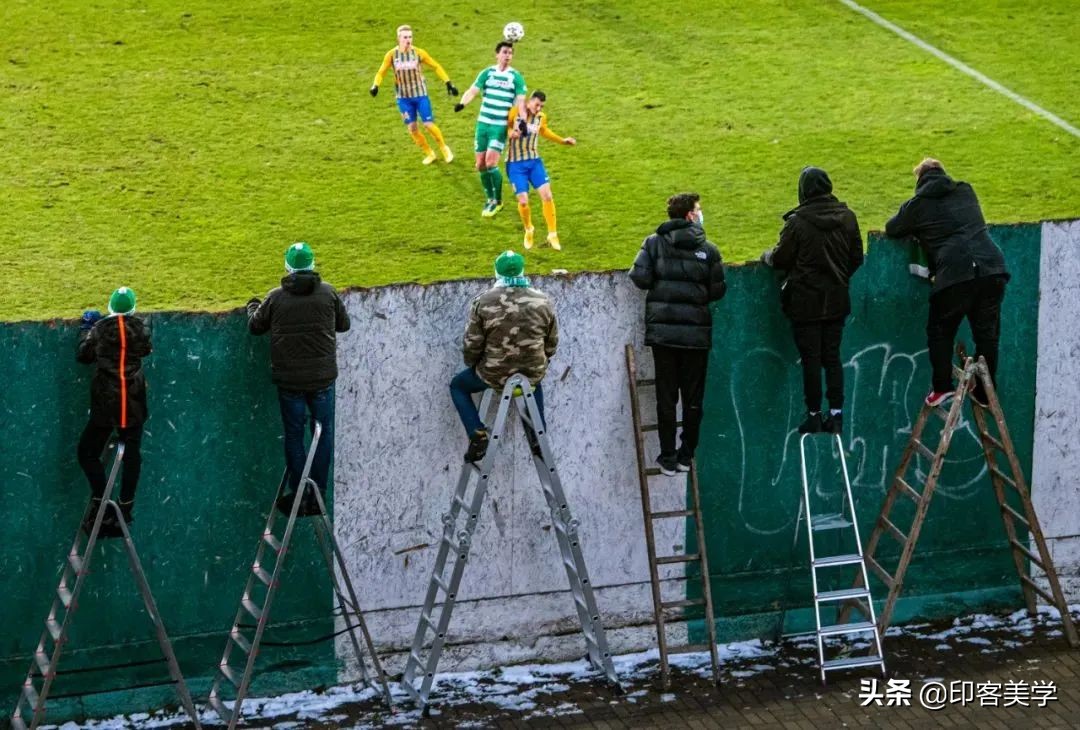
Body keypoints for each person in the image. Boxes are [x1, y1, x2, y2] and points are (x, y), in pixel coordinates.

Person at [885, 158, 1010, 407]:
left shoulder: (917, 205)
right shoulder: (965, 189)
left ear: (919, 180)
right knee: (987, 334)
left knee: (940, 331)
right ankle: (986, 391)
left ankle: (942, 387)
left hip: (954, 275)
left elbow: (892, 228)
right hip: (992, 267)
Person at [247, 243, 351, 516]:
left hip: (290, 381)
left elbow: (255, 326)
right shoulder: (328, 293)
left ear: (288, 268)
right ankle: (318, 494)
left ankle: (300, 494)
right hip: (322, 378)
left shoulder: (277, 297)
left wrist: (253, 306)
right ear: (313, 265)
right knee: (323, 431)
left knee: (294, 435)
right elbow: (344, 324)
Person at [761, 167, 864, 435]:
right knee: (832, 357)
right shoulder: (848, 218)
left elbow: (781, 258)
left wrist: (767, 257)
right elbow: (856, 258)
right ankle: (837, 414)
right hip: (837, 299)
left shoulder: (797, 223)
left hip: (805, 302)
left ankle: (814, 414)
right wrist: (839, 279)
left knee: (811, 359)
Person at [629, 193, 726, 475]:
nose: (701, 213)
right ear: (689, 216)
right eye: (698, 209)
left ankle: (668, 456)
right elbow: (717, 290)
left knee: (666, 396)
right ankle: (686, 455)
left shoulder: (653, 243)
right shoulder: (709, 250)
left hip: (664, 335)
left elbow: (640, 278)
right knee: (693, 398)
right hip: (696, 336)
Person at [450, 251, 558, 462]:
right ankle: (539, 435)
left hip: (493, 373)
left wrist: (474, 366)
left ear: (497, 272)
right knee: (534, 380)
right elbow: (551, 343)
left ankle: (477, 434)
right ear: (522, 270)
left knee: (458, 386)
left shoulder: (483, 302)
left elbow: (472, 344)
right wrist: (540, 361)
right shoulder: (543, 301)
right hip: (532, 371)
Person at [76, 287, 153, 537]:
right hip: (132, 404)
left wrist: (87, 327)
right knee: (132, 457)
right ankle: (125, 508)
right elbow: (145, 349)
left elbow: (84, 355)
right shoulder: (141, 329)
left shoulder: (100, 330)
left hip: (106, 406)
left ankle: (100, 499)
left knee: (87, 453)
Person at [454, 41, 528, 218]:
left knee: (491, 163)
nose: (508, 55)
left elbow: (521, 103)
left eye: (510, 53)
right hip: (483, 124)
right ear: (497, 54)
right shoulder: (487, 73)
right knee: (480, 164)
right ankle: (489, 199)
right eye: (504, 52)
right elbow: (473, 91)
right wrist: (462, 103)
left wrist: (522, 121)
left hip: (499, 126)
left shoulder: (516, 77)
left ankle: (498, 200)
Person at [370, 24, 458, 165]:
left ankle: (444, 148)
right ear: (398, 38)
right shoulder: (392, 55)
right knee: (412, 128)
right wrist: (375, 85)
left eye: (410, 37)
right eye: (405, 37)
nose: (408, 40)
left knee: (428, 124)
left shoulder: (419, 53)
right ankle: (429, 153)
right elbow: (381, 72)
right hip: (403, 98)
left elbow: (435, 66)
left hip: (420, 95)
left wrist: (448, 82)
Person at [505, 90, 577, 251]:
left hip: (534, 162)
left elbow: (544, 131)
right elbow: (505, 127)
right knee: (523, 201)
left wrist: (562, 140)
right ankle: (529, 229)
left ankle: (552, 234)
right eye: (537, 105)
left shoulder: (540, 117)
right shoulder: (515, 111)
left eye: (541, 106)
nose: (538, 109)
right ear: (530, 101)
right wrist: (512, 134)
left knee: (547, 195)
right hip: (515, 164)